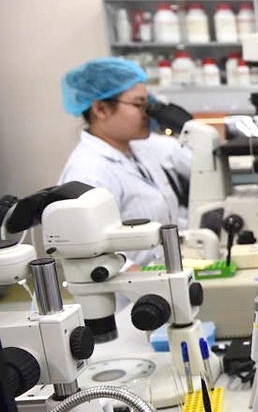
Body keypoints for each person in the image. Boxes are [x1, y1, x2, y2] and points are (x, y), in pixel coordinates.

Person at [59, 58, 192, 265]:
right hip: (135, 285)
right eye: (139, 104)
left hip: (167, 272)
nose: (148, 113)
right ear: (101, 109)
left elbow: (164, 220)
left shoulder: (139, 150)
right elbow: (90, 255)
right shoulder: (89, 173)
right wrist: (143, 278)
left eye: (148, 104)